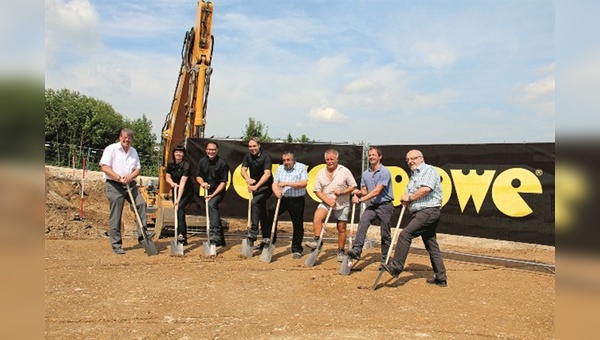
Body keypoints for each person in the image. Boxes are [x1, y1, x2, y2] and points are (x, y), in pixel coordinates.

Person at [381, 149, 447, 287]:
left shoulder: (428, 170)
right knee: (431, 244)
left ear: (421, 158)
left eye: (414, 158)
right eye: (408, 159)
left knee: (405, 235)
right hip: (422, 212)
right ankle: (441, 278)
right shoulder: (414, 174)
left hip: (428, 211)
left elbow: (426, 189)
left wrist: (410, 197)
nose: (411, 161)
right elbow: (411, 192)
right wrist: (407, 199)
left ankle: (396, 267)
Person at [99, 128, 154, 254]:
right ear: (120, 137)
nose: (127, 140)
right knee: (116, 214)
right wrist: (119, 178)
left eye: (129, 138)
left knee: (141, 204)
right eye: (125, 137)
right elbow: (104, 167)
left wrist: (129, 177)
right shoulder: (111, 149)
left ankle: (143, 236)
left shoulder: (133, 151)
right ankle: (116, 244)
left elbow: (137, 169)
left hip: (130, 184)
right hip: (114, 185)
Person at [305, 149, 357, 262]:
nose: (329, 161)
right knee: (317, 217)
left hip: (342, 204)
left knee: (341, 228)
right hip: (326, 201)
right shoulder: (320, 172)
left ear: (337, 159)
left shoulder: (344, 171)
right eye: (327, 159)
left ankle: (340, 251)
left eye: (332, 159)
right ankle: (317, 240)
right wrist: (328, 201)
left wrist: (342, 192)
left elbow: (353, 186)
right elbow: (317, 190)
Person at [347, 146, 394, 265]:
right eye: (370, 155)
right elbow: (365, 190)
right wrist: (358, 193)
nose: (371, 157)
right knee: (363, 223)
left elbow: (377, 191)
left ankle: (385, 259)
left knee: (385, 233)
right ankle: (357, 250)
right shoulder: (365, 174)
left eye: (374, 155)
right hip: (372, 206)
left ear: (380, 157)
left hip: (385, 205)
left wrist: (361, 200)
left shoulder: (385, 172)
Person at [265, 151, 308, 259]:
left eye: (288, 160)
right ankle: (270, 240)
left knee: (297, 224)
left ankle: (297, 249)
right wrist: (276, 192)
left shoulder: (301, 167)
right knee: (271, 212)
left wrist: (287, 184)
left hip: (297, 200)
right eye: (284, 160)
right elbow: (275, 183)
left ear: (293, 160)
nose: (286, 162)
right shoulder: (280, 168)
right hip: (282, 199)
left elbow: (303, 183)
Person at [240, 137, 274, 247]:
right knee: (262, 212)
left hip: (266, 187)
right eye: (250, 146)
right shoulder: (247, 156)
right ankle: (266, 238)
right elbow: (243, 170)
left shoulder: (266, 156)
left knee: (255, 202)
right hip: (255, 185)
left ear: (259, 145)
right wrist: (247, 179)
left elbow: (267, 174)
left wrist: (257, 186)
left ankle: (254, 232)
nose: (252, 148)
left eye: (254, 146)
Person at [195, 141, 229, 247]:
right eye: (209, 149)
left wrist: (213, 195)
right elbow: (198, 176)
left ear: (217, 150)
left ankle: (214, 234)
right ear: (206, 150)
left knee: (211, 205)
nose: (211, 151)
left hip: (218, 191)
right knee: (212, 210)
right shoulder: (202, 161)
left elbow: (223, 183)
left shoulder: (222, 163)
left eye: (213, 149)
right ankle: (220, 239)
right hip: (207, 190)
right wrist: (202, 183)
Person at [165, 144, 193, 245]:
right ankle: (180, 235)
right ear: (174, 153)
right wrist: (171, 183)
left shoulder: (186, 165)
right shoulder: (171, 164)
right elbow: (167, 176)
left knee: (180, 207)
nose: (178, 154)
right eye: (176, 152)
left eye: (180, 152)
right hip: (175, 189)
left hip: (186, 191)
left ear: (183, 154)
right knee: (177, 211)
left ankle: (181, 234)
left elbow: (182, 183)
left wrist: (178, 199)